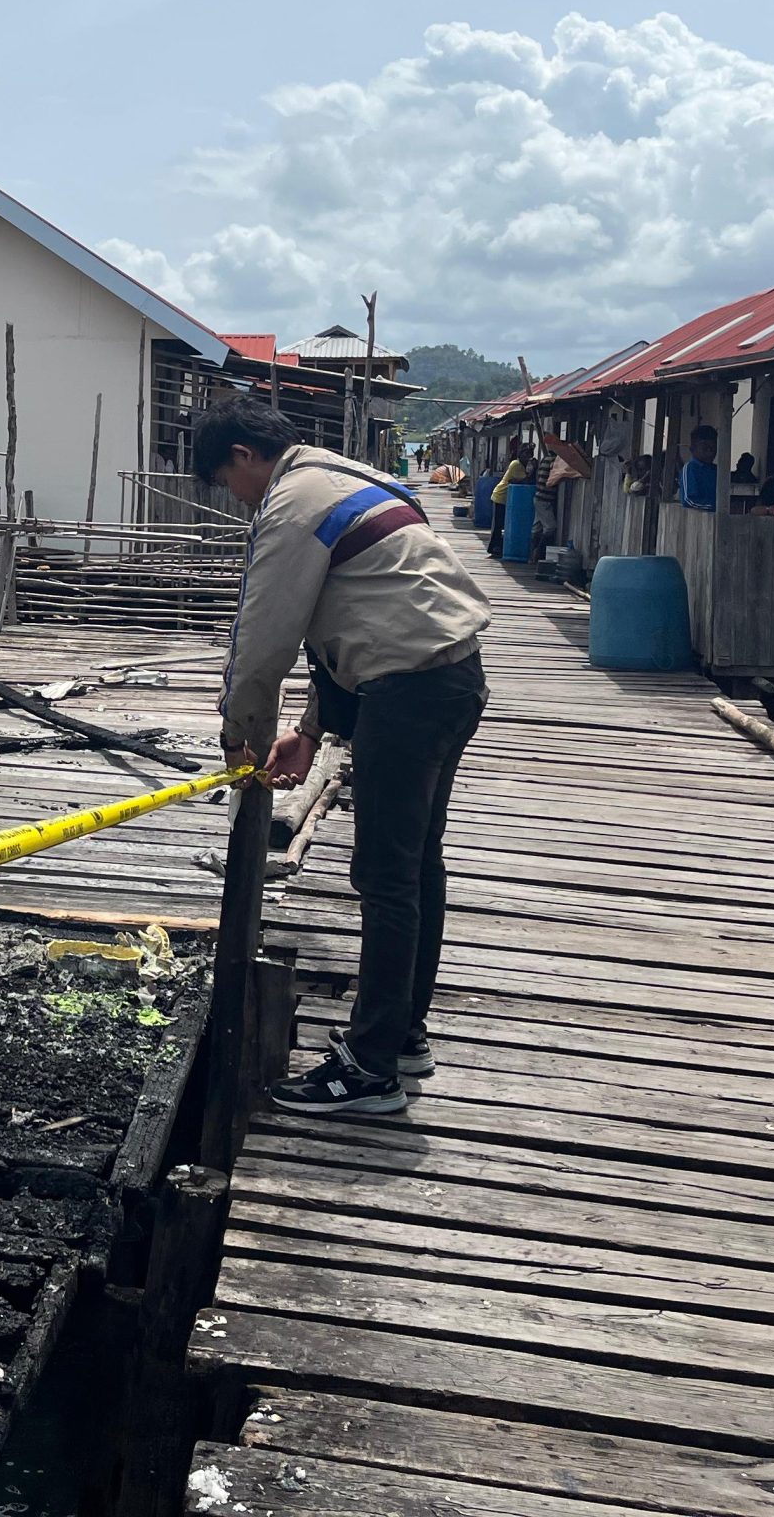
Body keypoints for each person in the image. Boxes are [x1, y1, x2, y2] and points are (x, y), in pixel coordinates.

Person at [196, 400, 491, 1119]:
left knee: (385, 877)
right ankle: (401, 1034)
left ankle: (369, 1070)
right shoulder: (348, 475)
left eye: (223, 481)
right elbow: (361, 606)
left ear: (242, 455)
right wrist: (310, 727)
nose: (233, 498)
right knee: (416, 863)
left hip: (408, 690)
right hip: (454, 676)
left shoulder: (291, 505)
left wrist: (241, 737)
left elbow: (263, 636)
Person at [679, 424, 720, 511]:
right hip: (698, 521)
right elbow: (688, 500)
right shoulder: (690, 469)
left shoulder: (717, 470)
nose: (710, 451)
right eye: (705, 447)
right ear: (693, 448)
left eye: (713, 447)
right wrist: (717, 507)